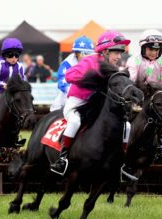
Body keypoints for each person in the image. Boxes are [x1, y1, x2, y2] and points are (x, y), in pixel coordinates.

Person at [50, 30, 130, 175]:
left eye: (120, 53)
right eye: (116, 52)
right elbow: (69, 76)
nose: (119, 57)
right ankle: (63, 159)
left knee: (127, 126)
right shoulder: (89, 60)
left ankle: (122, 163)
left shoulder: (114, 68)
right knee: (74, 122)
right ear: (105, 51)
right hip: (77, 103)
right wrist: (90, 78)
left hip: (97, 106)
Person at [126, 29, 162, 163]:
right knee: (128, 115)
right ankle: (124, 145)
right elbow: (131, 80)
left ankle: (160, 147)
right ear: (143, 48)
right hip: (137, 94)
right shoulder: (133, 60)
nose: (154, 52)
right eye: (151, 49)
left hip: (155, 96)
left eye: (157, 50)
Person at [50, 36, 94, 112]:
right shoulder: (67, 63)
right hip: (67, 98)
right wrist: (80, 93)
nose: (87, 57)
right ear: (76, 53)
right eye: (85, 54)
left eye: (89, 54)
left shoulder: (92, 63)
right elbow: (62, 84)